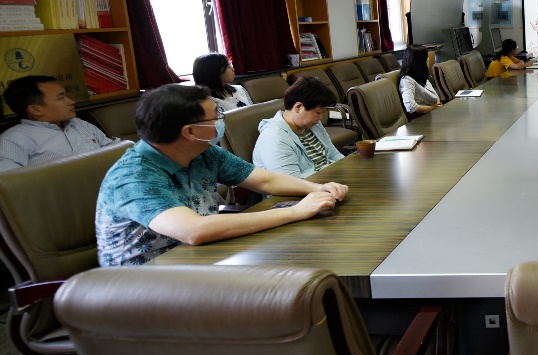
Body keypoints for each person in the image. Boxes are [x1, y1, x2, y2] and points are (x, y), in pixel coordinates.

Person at [96, 84, 349, 267]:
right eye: (215, 117)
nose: (221, 121)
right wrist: (296, 211)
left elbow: (266, 180)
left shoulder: (205, 152)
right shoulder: (134, 176)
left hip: (200, 258)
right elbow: (193, 230)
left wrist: (318, 188)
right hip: (142, 284)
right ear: (190, 132)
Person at [0, 75, 117, 171]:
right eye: (61, 98)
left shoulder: (79, 124)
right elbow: (10, 183)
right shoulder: (14, 139)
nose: (71, 101)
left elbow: (114, 151)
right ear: (36, 110)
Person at [253, 77, 344, 179]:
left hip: (329, 180)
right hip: (309, 186)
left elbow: (333, 154)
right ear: (298, 107)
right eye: (318, 112)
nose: (320, 118)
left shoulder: (313, 125)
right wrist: (331, 174)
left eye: (323, 113)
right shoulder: (275, 138)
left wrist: (349, 167)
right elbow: (291, 182)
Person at [398, 46, 440, 116]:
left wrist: (437, 104)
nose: (428, 59)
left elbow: (434, 94)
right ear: (419, 61)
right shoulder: (406, 80)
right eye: (426, 57)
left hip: (434, 113)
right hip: (423, 117)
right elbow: (410, 106)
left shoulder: (420, 75)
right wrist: (432, 108)